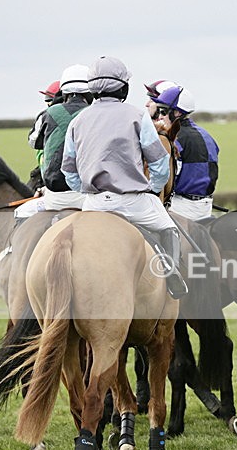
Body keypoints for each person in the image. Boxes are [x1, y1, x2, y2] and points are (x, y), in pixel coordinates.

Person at [61, 56, 187, 298]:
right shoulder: (137, 116)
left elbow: (68, 170)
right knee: (169, 228)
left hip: (94, 204)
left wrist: (84, 188)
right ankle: (172, 275)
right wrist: (153, 187)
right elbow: (160, 163)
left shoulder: (77, 121)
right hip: (132, 201)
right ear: (123, 86)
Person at [15, 64, 92, 219]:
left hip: (55, 198)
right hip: (90, 198)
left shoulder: (47, 113)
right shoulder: (96, 113)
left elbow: (33, 141)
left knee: (20, 212)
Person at [150, 84, 220, 221]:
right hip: (206, 205)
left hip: (180, 206)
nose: (159, 116)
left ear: (177, 113)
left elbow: (165, 178)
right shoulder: (207, 135)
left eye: (163, 111)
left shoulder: (174, 139)